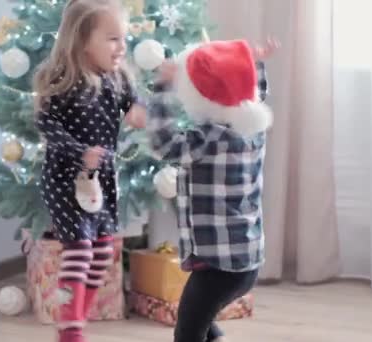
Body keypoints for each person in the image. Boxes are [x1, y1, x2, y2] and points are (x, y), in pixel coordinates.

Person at [147, 38, 278, 342]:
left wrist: (162, 90)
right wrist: (252, 63)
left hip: (219, 265)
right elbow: (252, 94)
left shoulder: (208, 137)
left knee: (188, 331)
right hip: (245, 261)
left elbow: (162, 144)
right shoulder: (252, 128)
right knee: (200, 319)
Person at [33, 1, 145, 341]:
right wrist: (80, 152)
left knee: (101, 254)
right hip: (65, 179)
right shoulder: (63, 81)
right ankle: (70, 326)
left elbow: (137, 108)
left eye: (123, 39)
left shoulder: (118, 80)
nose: (121, 47)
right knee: (79, 250)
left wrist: (141, 112)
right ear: (82, 40)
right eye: (112, 38)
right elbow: (46, 125)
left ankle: (74, 314)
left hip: (102, 182)